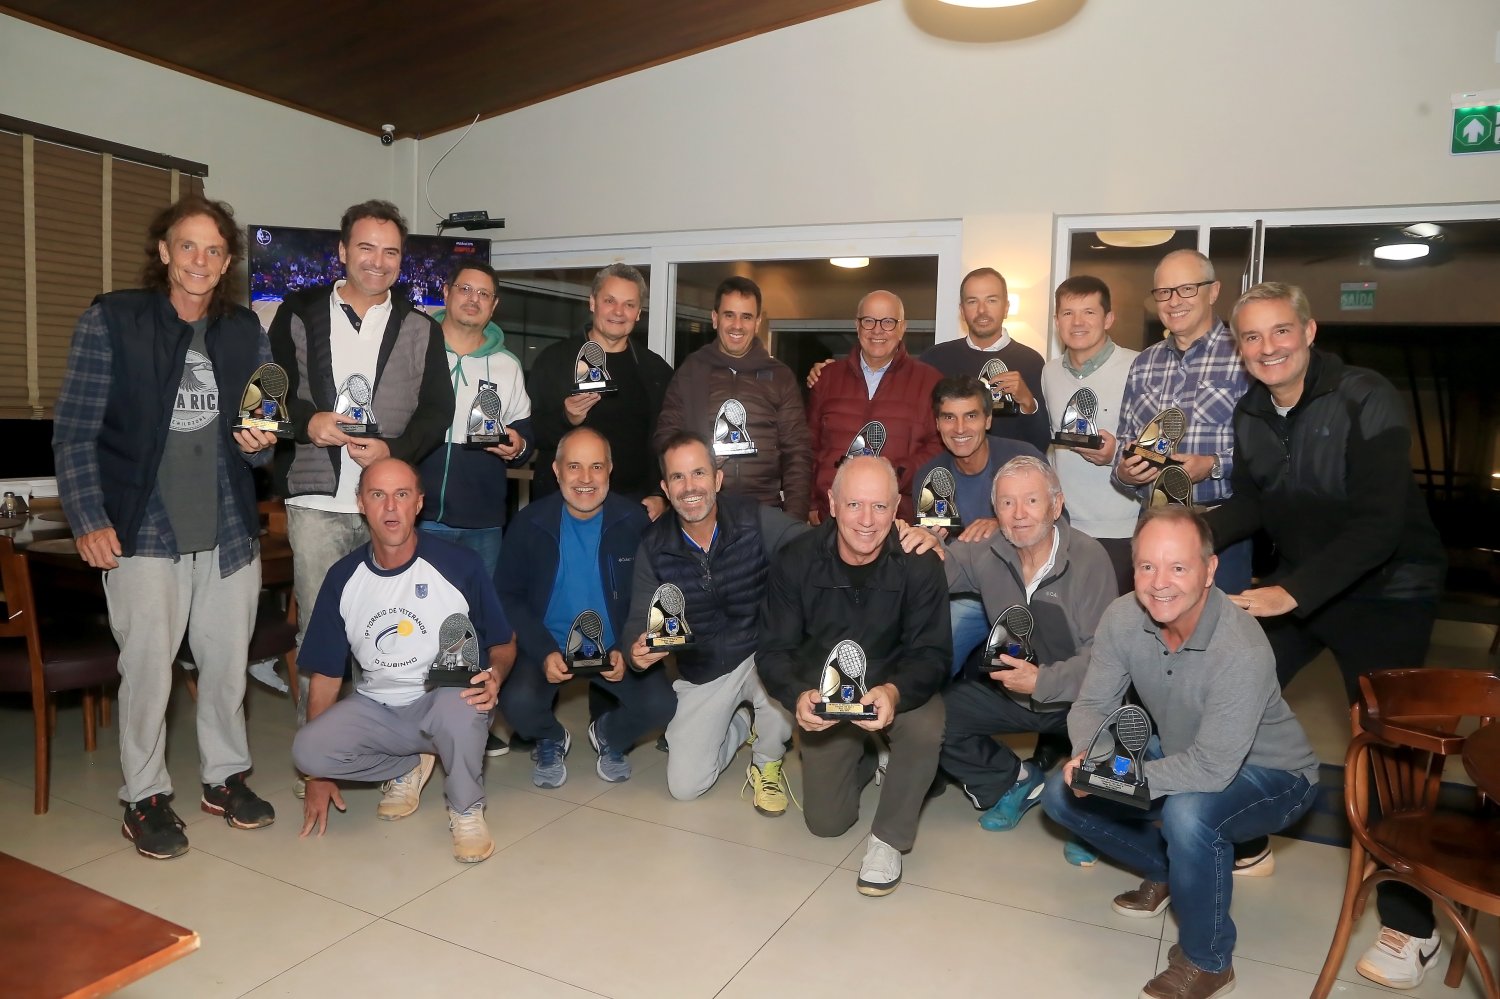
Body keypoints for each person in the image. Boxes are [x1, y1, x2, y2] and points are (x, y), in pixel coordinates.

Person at [1205, 282, 1447, 991]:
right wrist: (1193, 532)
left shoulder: (1365, 396)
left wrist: (1292, 592)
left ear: (1309, 332)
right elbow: (1254, 501)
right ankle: (1246, 837)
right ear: (1239, 350)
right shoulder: (1251, 410)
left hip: (1389, 590)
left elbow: (1379, 524)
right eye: (1252, 337)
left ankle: (1414, 925)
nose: (1268, 347)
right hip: (1306, 582)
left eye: (1281, 331)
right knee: (1234, 692)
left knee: (1391, 748)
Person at [53, 195, 278, 858]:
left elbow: (263, 439)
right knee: (149, 671)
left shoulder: (247, 332)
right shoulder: (111, 320)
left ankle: (224, 778)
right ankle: (144, 796)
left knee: (227, 666)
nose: (199, 260)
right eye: (188, 246)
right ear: (164, 251)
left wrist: (259, 442)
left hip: (229, 529)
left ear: (227, 262)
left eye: (214, 250)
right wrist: (88, 518)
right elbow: (74, 434)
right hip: (143, 528)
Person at [1042, 507, 1319, 999]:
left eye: (1178, 567)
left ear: (1209, 570)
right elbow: (1093, 704)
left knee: (1189, 815)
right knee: (1059, 793)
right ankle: (1168, 872)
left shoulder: (1240, 647)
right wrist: (1090, 757)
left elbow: (1212, 769)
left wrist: (1121, 777)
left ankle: (1209, 961)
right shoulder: (1123, 617)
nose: (1159, 583)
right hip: (1184, 750)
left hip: (1276, 775)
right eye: (1147, 566)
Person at [267, 199, 453, 714]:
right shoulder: (298, 312)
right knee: (321, 633)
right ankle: (320, 750)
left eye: (391, 251)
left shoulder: (422, 328)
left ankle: (389, 741)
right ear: (343, 251)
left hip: (390, 504)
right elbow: (270, 390)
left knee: (391, 631)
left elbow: (438, 410)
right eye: (367, 247)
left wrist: (394, 451)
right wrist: (309, 422)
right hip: (318, 503)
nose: (378, 261)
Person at [292, 459, 513, 863]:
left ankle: (466, 809)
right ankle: (407, 764)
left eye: (402, 494)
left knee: (466, 699)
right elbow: (325, 675)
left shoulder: (460, 565)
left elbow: (503, 641)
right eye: (378, 495)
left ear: (419, 503)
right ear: (361, 503)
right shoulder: (342, 578)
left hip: (442, 697)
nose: (391, 507)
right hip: (377, 706)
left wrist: (496, 674)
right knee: (307, 751)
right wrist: (317, 777)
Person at [758, 456, 950, 896]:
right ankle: (871, 756)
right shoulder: (795, 560)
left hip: (896, 687)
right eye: (854, 505)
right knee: (826, 823)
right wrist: (797, 695)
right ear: (831, 504)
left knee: (926, 726)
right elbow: (773, 650)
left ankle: (888, 841)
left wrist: (893, 692)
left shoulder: (920, 564)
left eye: (880, 507)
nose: (867, 520)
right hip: (826, 696)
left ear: (897, 508)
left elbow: (933, 655)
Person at [625, 432, 801, 814]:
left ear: (718, 479)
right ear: (665, 488)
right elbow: (638, 620)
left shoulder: (754, 519)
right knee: (685, 787)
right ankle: (739, 725)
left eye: (699, 473)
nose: (690, 487)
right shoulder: (653, 546)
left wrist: (887, 534)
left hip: (760, 652)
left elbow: (814, 545)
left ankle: (767, 761)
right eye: (678, 477)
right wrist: (636, 653)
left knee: (782, 683)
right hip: (704, 671)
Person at [938, 457, 1115, 835]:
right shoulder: (988, 551)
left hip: (1080, 701)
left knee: (1108, 755)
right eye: (1007, 503)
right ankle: (1014, 779)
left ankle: (1095, 817)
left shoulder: (1089, 558)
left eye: (1031, 501)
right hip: (1014, 695)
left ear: (1056, 505)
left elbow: (1104, 660)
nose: (1019, 514)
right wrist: (925, 544)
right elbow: (934, 573)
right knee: (933, 718)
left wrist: (1042, 681)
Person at [495, 427, 675, 788]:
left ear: (610, 469)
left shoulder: (634, 522)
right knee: (515, 702)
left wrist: (627, 646)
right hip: (549, 645)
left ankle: (610, 734)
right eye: (574, 466)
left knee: (662, 705)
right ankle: (551, 737)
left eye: (596, 467)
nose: (586, 479)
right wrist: (543, 651)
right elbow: (507, 595)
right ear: (557, 470)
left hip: (613, 647)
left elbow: (650, 595)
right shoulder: (528, 524)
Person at [1115, 249, 1251, 594]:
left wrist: (1213, 465)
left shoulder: (1245, 357)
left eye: (1187, 289)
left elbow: (1266, 454)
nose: (1174, 301)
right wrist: (1125, 472)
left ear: (1213, 291)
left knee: (1223, 625)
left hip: (1220, 526)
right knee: (1152, 623)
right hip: (1153, 524)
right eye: (1164, 292)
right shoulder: (1143, 363)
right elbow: (1123, 442)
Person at [912, 376, 1043, 676]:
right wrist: (928, 540)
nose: (960, 429)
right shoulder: (929, 476)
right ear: (937, 424)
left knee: (1032, 670)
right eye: (949, 418)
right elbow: (934, 553)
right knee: (929, 660)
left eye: (970, 416)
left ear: (988, 419)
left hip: (1025, 591)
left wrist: (1003, 522)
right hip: (965, 597)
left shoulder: (1023, 461)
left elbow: (1058, 523)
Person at [652, 276, 811, 519]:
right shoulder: (691, 371)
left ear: (757, 322)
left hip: (765, 512)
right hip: (704, 513)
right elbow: (666, 439)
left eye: (746, 317)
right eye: (729, 315)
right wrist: (701, 460)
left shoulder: (781, 377)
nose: (737, 325)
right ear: (715, 318)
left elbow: (797, 454)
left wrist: (794, 521)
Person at [527, 264, 673, 518]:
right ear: (593, 302)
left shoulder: (655, 370)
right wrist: (566, 418)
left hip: (633, 508)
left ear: (639, 312)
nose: (619, 311)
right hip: (563, 507)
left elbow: (666, 441)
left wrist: (660, 495)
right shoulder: (554, 360)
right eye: (610, 301)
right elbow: (530, 432)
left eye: (629, 304)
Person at [416, 260, 533, 576]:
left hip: (483, 525)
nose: (473, 299)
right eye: (465, 289)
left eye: (484, 294)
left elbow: (525, 433)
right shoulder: (414, 348)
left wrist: (518, 446)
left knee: (479, 607)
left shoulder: (508, 365)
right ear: (446, 292)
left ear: (493, 305)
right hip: (415, 514)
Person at [1040, 275, 1140, 593]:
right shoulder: (1049, 372)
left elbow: (1156, 445)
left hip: (1119, 528)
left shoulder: (1138, 366)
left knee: (1113, 618)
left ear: (1108, 318)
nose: (1078, 322)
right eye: (1068, 313)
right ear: (1057, 321)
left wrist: (1115, 455)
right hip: (1062, 526)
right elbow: (1051, 442)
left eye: (1089, 312)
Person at [806, 291, 942, 523]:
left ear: (902, 327)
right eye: (868, 321)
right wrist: (810, 504)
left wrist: (895, 474)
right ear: (857, 326)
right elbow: (809, 447)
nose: (877, 330)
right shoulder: (826, 378)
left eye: (888, 322)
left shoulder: (930, 382)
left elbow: (939, 448)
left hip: (897, 521)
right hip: (830, 517)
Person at [922, 268, 1051, 454]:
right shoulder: (935, 359)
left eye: (991, 300)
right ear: (962, 310)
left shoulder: (1031, 361)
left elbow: (1040, 444)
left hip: (1013, 470)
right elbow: (922, 430)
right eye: (972, 301)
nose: (982, 310)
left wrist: (1027, 403)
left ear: (1006, 307)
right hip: (951, 470)